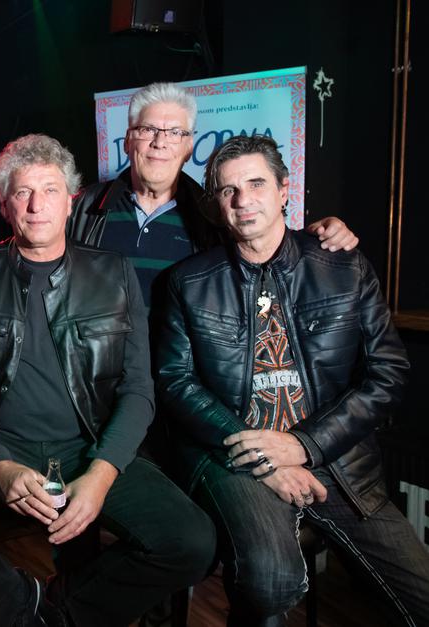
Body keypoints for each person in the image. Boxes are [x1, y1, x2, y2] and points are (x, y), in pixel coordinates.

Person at [0, 134, 216, 627]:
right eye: (22, 192)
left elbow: (138, 389)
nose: (36, 205)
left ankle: (60, 615)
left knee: (191, 542)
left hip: (87, 443)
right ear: (5, 205)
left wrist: (102, 474)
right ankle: (23, 610)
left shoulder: (114, 273)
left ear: (70, 201)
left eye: (50, 190)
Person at [157, 134, 429, 626]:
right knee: (271, 582)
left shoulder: (345, 266)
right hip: (239, 458)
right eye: (228, 190)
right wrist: (264, 456)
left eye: (256, 183)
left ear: (285, 189)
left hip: (339, 460)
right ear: (216, 204)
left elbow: (388, 372)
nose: (243, 200)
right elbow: (175, 381)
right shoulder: (189, 282)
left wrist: (305, 444)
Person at [69, 81, 357, 309]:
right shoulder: (83, 207)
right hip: (99, 365)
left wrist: (318, 235)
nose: (160, 142)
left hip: (182, 363)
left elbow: (265, 248)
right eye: (148, 129)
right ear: (128, 141)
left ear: (189, 148)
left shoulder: (214, 213)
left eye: (174, 133)